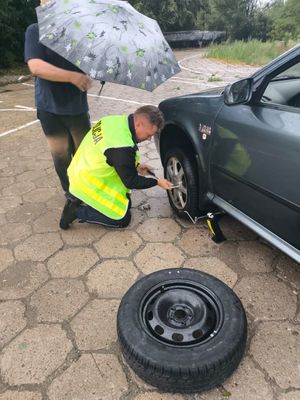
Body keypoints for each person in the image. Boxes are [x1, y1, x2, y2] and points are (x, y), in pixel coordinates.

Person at [59, 105, 173, 229]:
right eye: (148, 134)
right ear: (138, 124)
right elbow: (131, 181)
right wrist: (157, 182)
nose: (149, 138)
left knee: (126, 204)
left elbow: (111, 155)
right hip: (87, 182)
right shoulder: (122, 148)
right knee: (122, 219)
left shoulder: (115, 121)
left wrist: (137, 166)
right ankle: (75, 211)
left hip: (81, 168)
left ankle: (86, 201)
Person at [24, 0, 92, 195]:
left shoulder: (78, 33)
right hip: (49, 108)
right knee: (61, 157)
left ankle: (89, 192)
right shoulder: (35, 30)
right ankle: (72, 195)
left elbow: (90, 62)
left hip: (77, 108)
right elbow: (36, 67)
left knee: (85, 155)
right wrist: (73, 77)